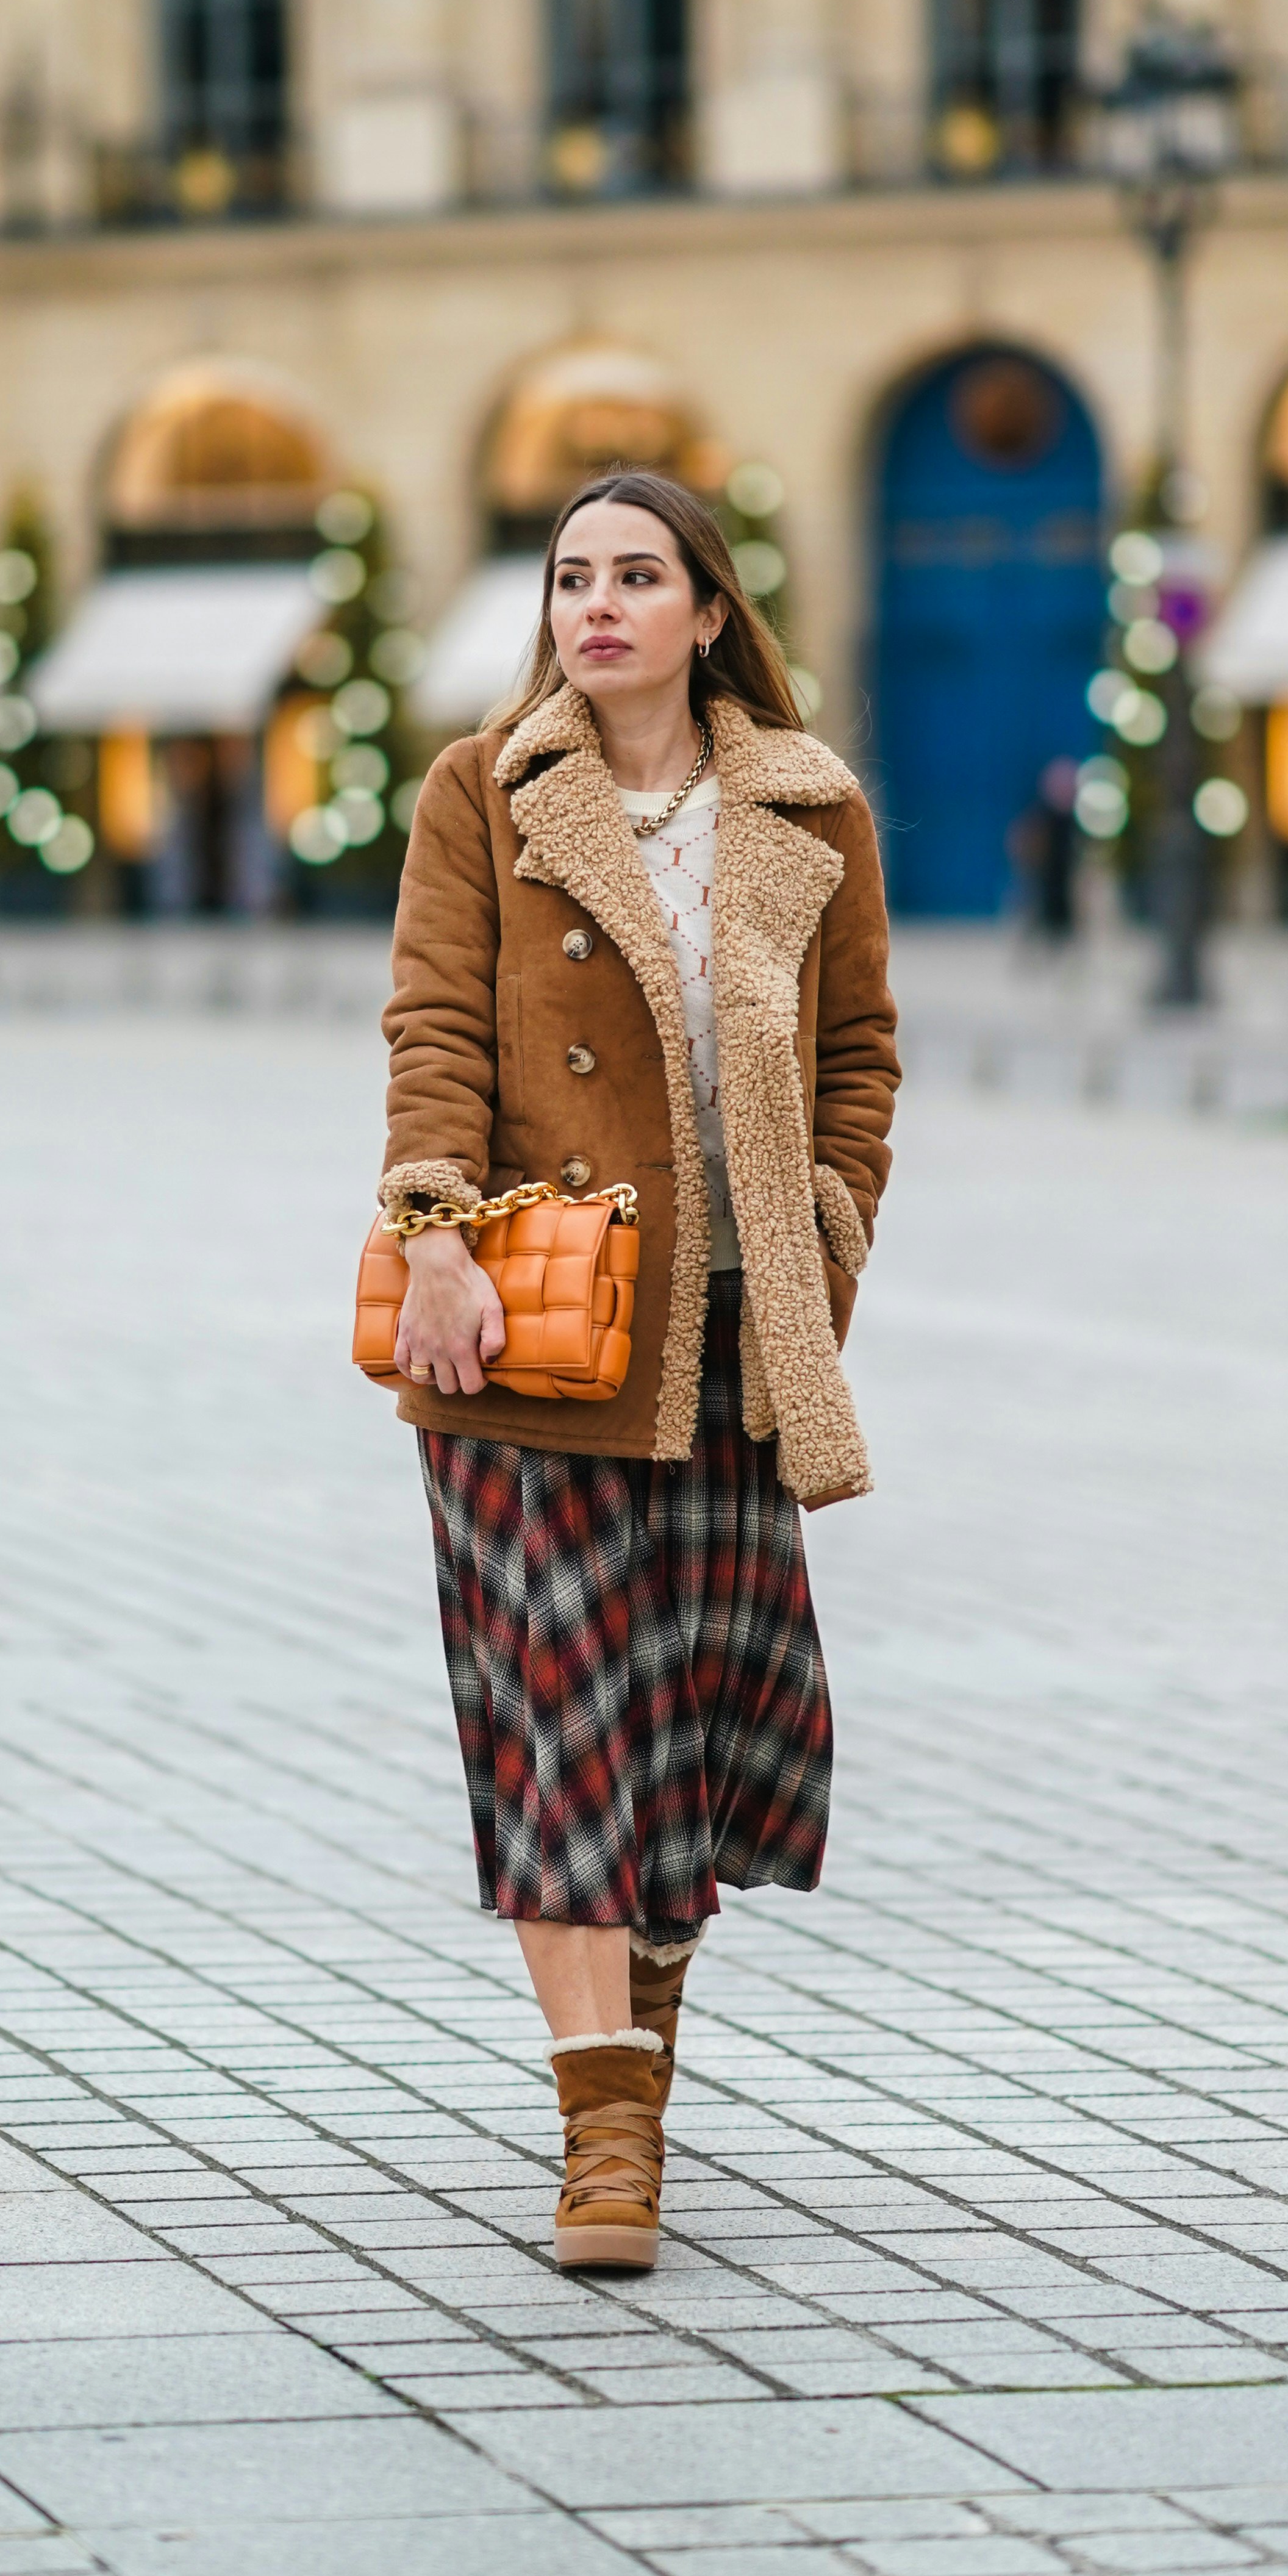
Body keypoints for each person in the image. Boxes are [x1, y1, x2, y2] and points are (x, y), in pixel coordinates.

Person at [378, 468, 898, 2272]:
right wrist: (434, 1222)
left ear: (704, 610)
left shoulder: (807, 806)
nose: (596, 604)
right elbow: (435, 1018)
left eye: (637, 575)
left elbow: (861, 1060)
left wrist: (828, 1236)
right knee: (568, 1730)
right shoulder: (486, 791)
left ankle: (640, 2041)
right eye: (569, 575)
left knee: (697, 1747)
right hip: (533, 1338)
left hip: (739, 1344)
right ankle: (605, 2132)